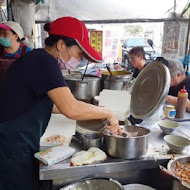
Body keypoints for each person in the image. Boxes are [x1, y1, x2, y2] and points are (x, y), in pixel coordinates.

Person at [0, 16, 121, 190]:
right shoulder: (44, 61)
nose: (78, 60)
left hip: (18, 140)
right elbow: (70, 108)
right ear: (61, 45)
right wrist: (108, 113)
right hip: (11, 144)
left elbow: (54, 105)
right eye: (79, 54)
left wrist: (94, 110)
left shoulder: (39, 58)